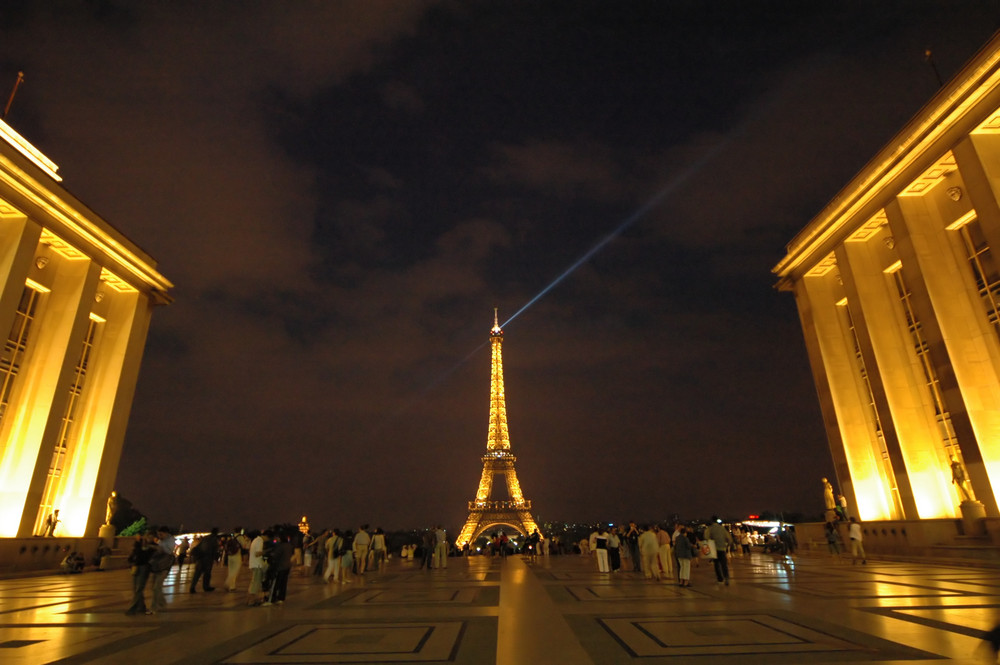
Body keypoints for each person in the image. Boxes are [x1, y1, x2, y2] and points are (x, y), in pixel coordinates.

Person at [125, 533, 154, 615]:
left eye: (149, 537)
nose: (147, 539)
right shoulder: (139, 546)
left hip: (144, 568)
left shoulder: (151, 547)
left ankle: (133, 608)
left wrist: (138, 543)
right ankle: (142, 607)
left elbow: (142, 555)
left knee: (139, 588)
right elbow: (134, 554)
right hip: (136, 567)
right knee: (136, 588)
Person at [149, 527, 175, 613]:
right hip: (157, 566)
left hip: (164, 567)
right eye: (158, 534)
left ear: (166, 533)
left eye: (161, 534)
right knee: (155, 587)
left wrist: (157, 548)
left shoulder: (170, 540)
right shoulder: (161, 541)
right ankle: (162, 603)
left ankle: (154, 607)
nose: (159, 536)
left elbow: (168, 551)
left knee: (157, 587)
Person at [190, 527, 219, 592]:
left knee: (197, 573)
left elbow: (198, 546)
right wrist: (216, 559)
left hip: (200, 557)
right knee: (207, 573)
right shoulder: (214, 539)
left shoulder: (205, 537)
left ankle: (192, 587)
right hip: (208, 558)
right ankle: (206, 587)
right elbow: (215, 550)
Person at [707, 518, 733, 585]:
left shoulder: (710, 528)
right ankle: (726, 577)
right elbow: (729, 538)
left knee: (716, 564)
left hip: (715, 549)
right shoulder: (722, 528)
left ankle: (720, 579)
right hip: (722, 548)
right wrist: (728, 545)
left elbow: (706, 537)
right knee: (724, 564)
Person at [246, 530, 266, 606]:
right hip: (257, 564)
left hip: (253, 564)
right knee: (255, 583)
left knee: (254, 582)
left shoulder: (254, 540)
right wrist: (266, 551)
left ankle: (249, 600)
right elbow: (258, 553)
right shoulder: (259, 540)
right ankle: (251, 601)